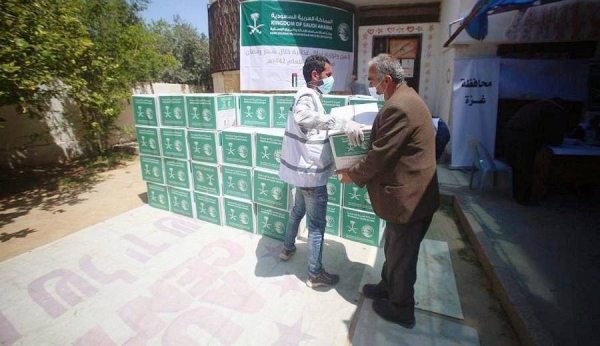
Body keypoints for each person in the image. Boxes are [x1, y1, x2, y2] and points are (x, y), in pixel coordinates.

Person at [337, 54, 440, 328]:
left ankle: (402, 309)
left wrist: (351, 175)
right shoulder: (405, 98)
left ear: (386, 80)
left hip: (409, 199)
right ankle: (387, 286)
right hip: (409, 195)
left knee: (402, 258)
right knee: (394, 249)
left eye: (372, 80)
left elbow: (379, 155)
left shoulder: (399, 107)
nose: (370, 85)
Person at [278, 55, 365, 288]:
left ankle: (287, 248)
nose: (331, 79)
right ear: (315, 75)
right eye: (328, 75)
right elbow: (303, 117)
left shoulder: (311, 95)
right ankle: (315, 274)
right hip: (310, 173)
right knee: (316, 226)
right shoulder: (306, 95)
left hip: (302, 171)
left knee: (297, 210)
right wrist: (340, 123)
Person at [503, 98, 568, 205]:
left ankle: (516, 194)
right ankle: (524, 199)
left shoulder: (532, 106)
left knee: (516, 166)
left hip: (511, 134)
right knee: (526, 167)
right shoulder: (555, 110)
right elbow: (556, 138)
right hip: (525, 137)